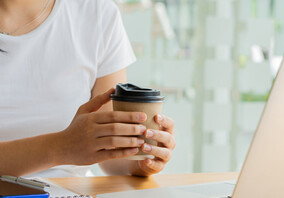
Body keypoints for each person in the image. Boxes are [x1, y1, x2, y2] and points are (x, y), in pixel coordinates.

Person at [0, 0, 176, 178]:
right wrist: (61, 147)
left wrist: (140, 158)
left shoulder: (97, 13)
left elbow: (108, 148)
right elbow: (68, 146)